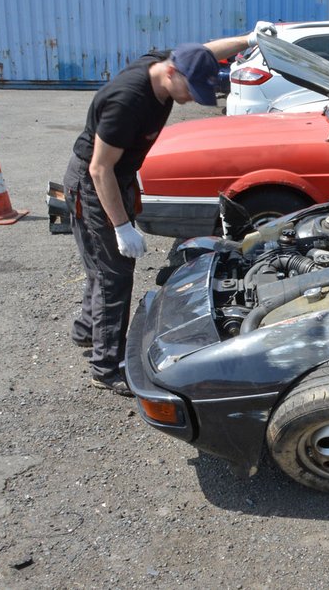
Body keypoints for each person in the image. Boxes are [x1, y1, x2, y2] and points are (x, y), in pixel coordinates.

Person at [64, 22, 274, 395]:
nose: (192, 98)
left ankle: (87, 331)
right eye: (190, 90)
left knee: (103, 264)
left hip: (119, 176)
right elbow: (100, 168)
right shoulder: (128, 101)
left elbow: (205, 50)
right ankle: (106, 367)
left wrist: (249, 39)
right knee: (115, 274)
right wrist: (121, 225)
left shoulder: (166, 63)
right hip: (97, 182)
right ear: (172, 73)